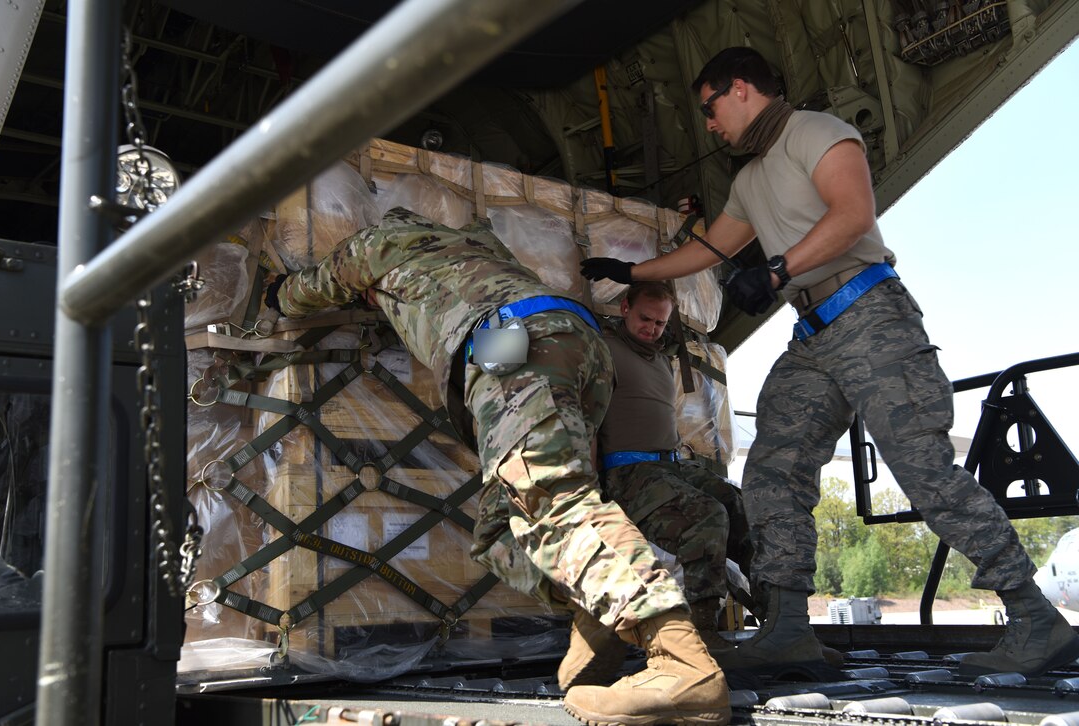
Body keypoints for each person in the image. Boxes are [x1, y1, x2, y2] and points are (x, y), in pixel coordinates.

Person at [580, 46, 1079, 677]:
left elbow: (854, 215)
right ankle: (788, 628)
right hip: (813, 335)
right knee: (772, 470)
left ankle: (1035, 617)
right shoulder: (748, 179)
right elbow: (709, 249)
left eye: (709, 109)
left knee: (923, 470)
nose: (709, 125)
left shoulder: (816, 132)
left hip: (870, 315)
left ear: (740, 89)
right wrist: (631, 271)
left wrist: (779, 268)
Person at [268, 206, 730, 725]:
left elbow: (306, 292)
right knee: (496, 532)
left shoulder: (378, 243)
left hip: (512, 340)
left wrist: (273, 293)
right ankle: (597, 601)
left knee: (551, 497)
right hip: (575, 345)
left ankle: (682, 661)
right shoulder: (478, 245)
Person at [598, 281, 754, 652]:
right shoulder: (603, 350)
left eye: (659, 322)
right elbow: (584, 419)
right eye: (644, 318)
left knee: (743, 505)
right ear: (625, 309)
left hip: (670, 467)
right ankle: (703, 627)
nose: (651, 327)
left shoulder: (661, 359)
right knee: (708, 515)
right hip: (629, 472)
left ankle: (772, 609)